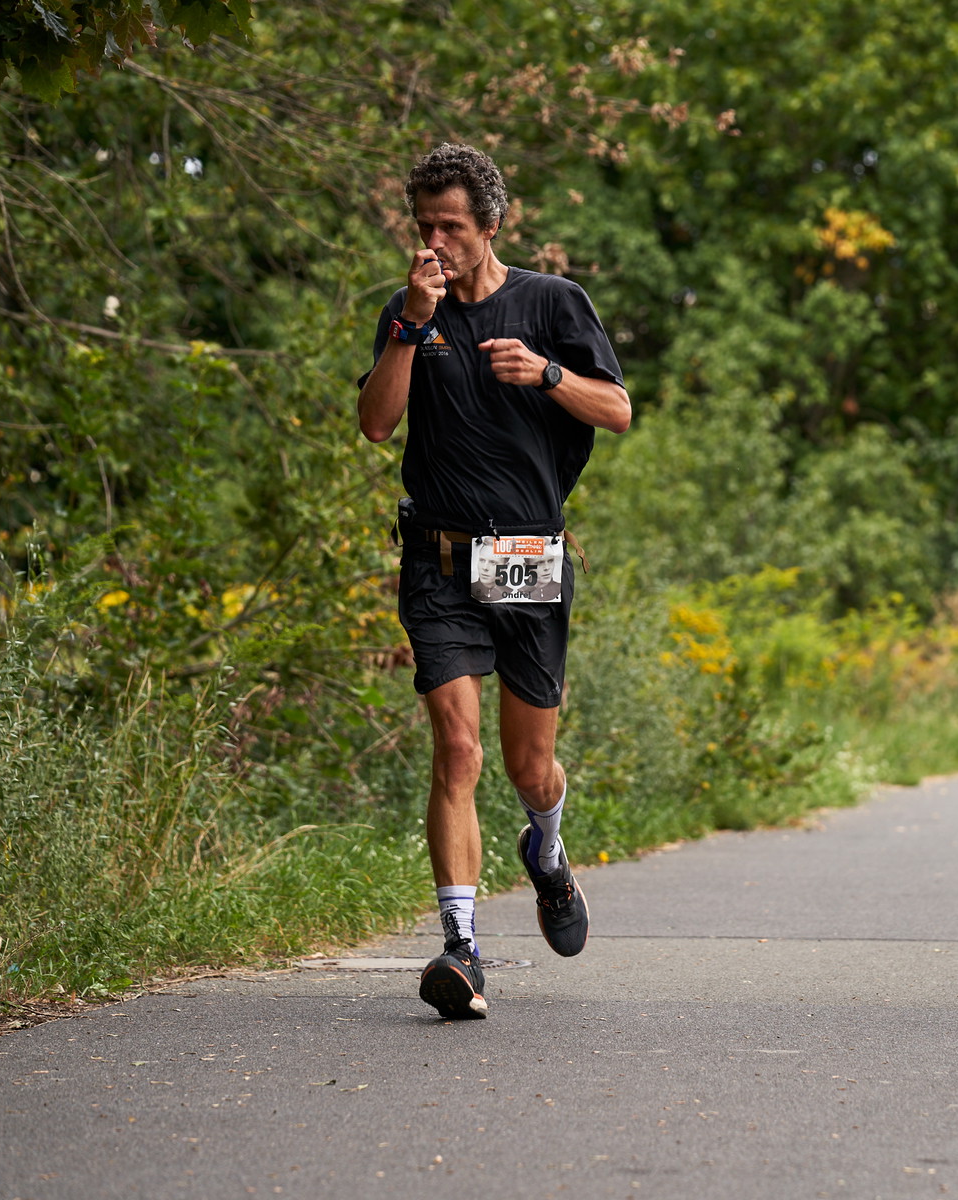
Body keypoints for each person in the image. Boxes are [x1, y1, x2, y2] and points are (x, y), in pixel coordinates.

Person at [357, 143, 630, 1020]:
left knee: (529, 765)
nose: (437, 242)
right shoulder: (408, 312)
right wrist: (409, 319)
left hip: (523, 558)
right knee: (458, 749)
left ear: (492, 225)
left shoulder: (552, 302)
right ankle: (461, 948)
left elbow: (619, 410)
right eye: (425, 226)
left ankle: (546, 852)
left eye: (453, 227)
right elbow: (374, 423)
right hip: (436, 559)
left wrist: (548, 375)